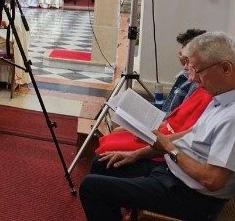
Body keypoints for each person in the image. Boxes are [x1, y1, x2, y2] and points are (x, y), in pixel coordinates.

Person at [80, 32, 235, 220]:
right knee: (103, 164)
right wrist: (134, 155)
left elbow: (212, 180)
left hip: (190, 196)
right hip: (173, 174)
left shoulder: (232, 116)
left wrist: (170, 149)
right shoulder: (221, 96)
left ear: (225, 68)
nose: (193, 78)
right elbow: (190, 134)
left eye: (198, 71)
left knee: (92, 188)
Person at [163, 29, 209, 115]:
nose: (185, 67)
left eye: (188, 59)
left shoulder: (198, 82)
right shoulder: (184, 75)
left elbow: (181, 117)